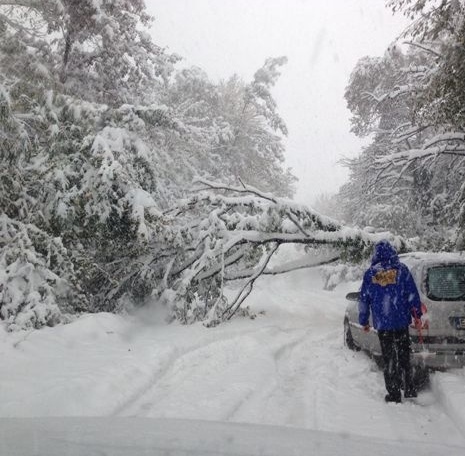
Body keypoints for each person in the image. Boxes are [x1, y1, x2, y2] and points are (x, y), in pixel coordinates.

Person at [359, 240, 422, 403]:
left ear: (376, 255)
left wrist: (364, 320)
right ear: (393, 252)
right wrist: (417, 315)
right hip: (401, 321)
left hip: (383, 324)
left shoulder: (371, 274)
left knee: (389, 359)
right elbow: (412, 295)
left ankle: (394, 394)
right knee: (404, 355)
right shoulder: (402, 270)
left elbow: (364, 300)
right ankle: (409, 388)